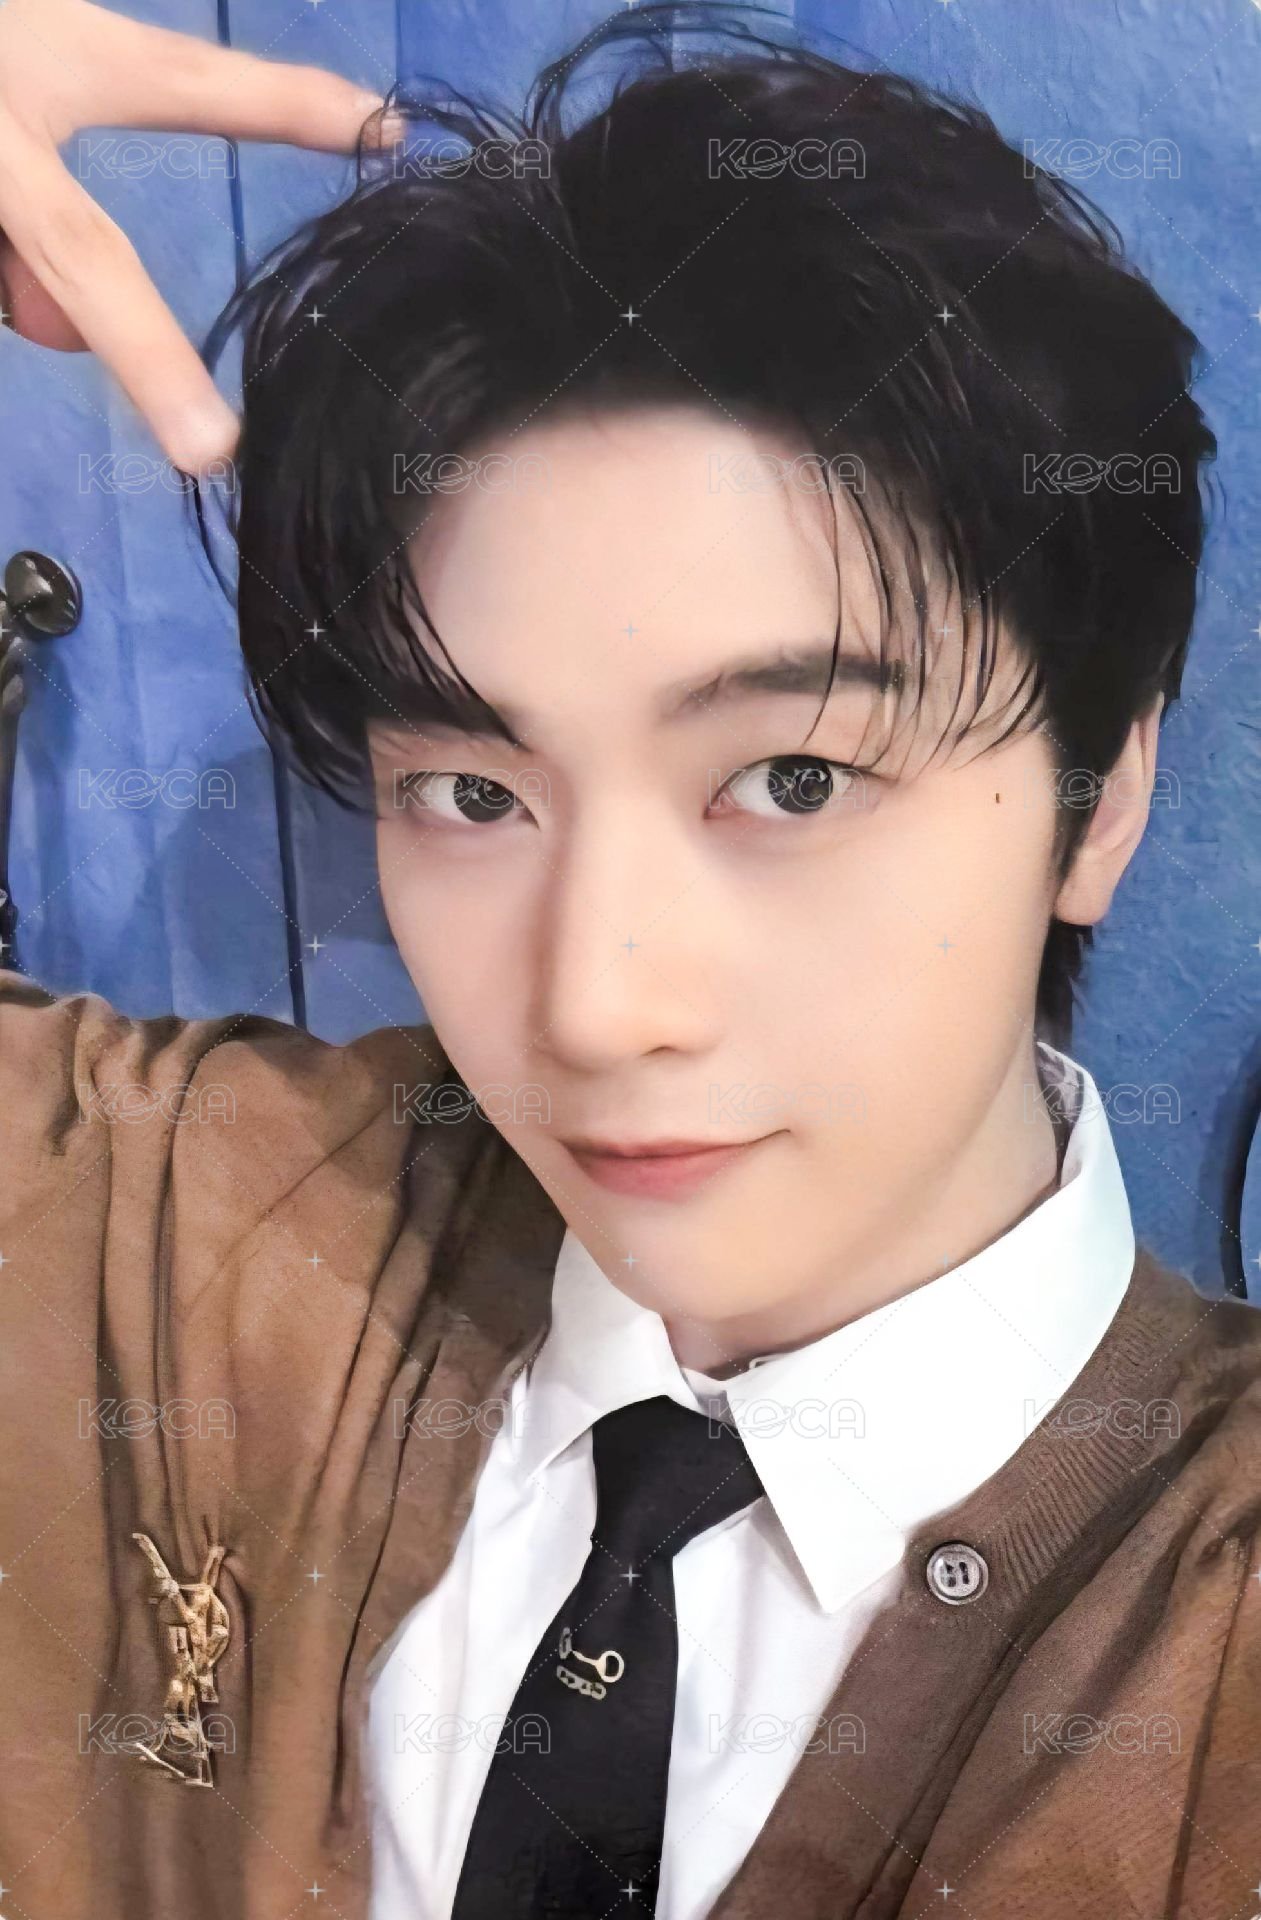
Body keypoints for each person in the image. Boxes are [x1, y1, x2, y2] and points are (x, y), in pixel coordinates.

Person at [0, 4, 1258, 1918]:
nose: (591, 1007)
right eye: (469, 794)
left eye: (792, 778)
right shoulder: (178, 1231)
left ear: (1098, 800)